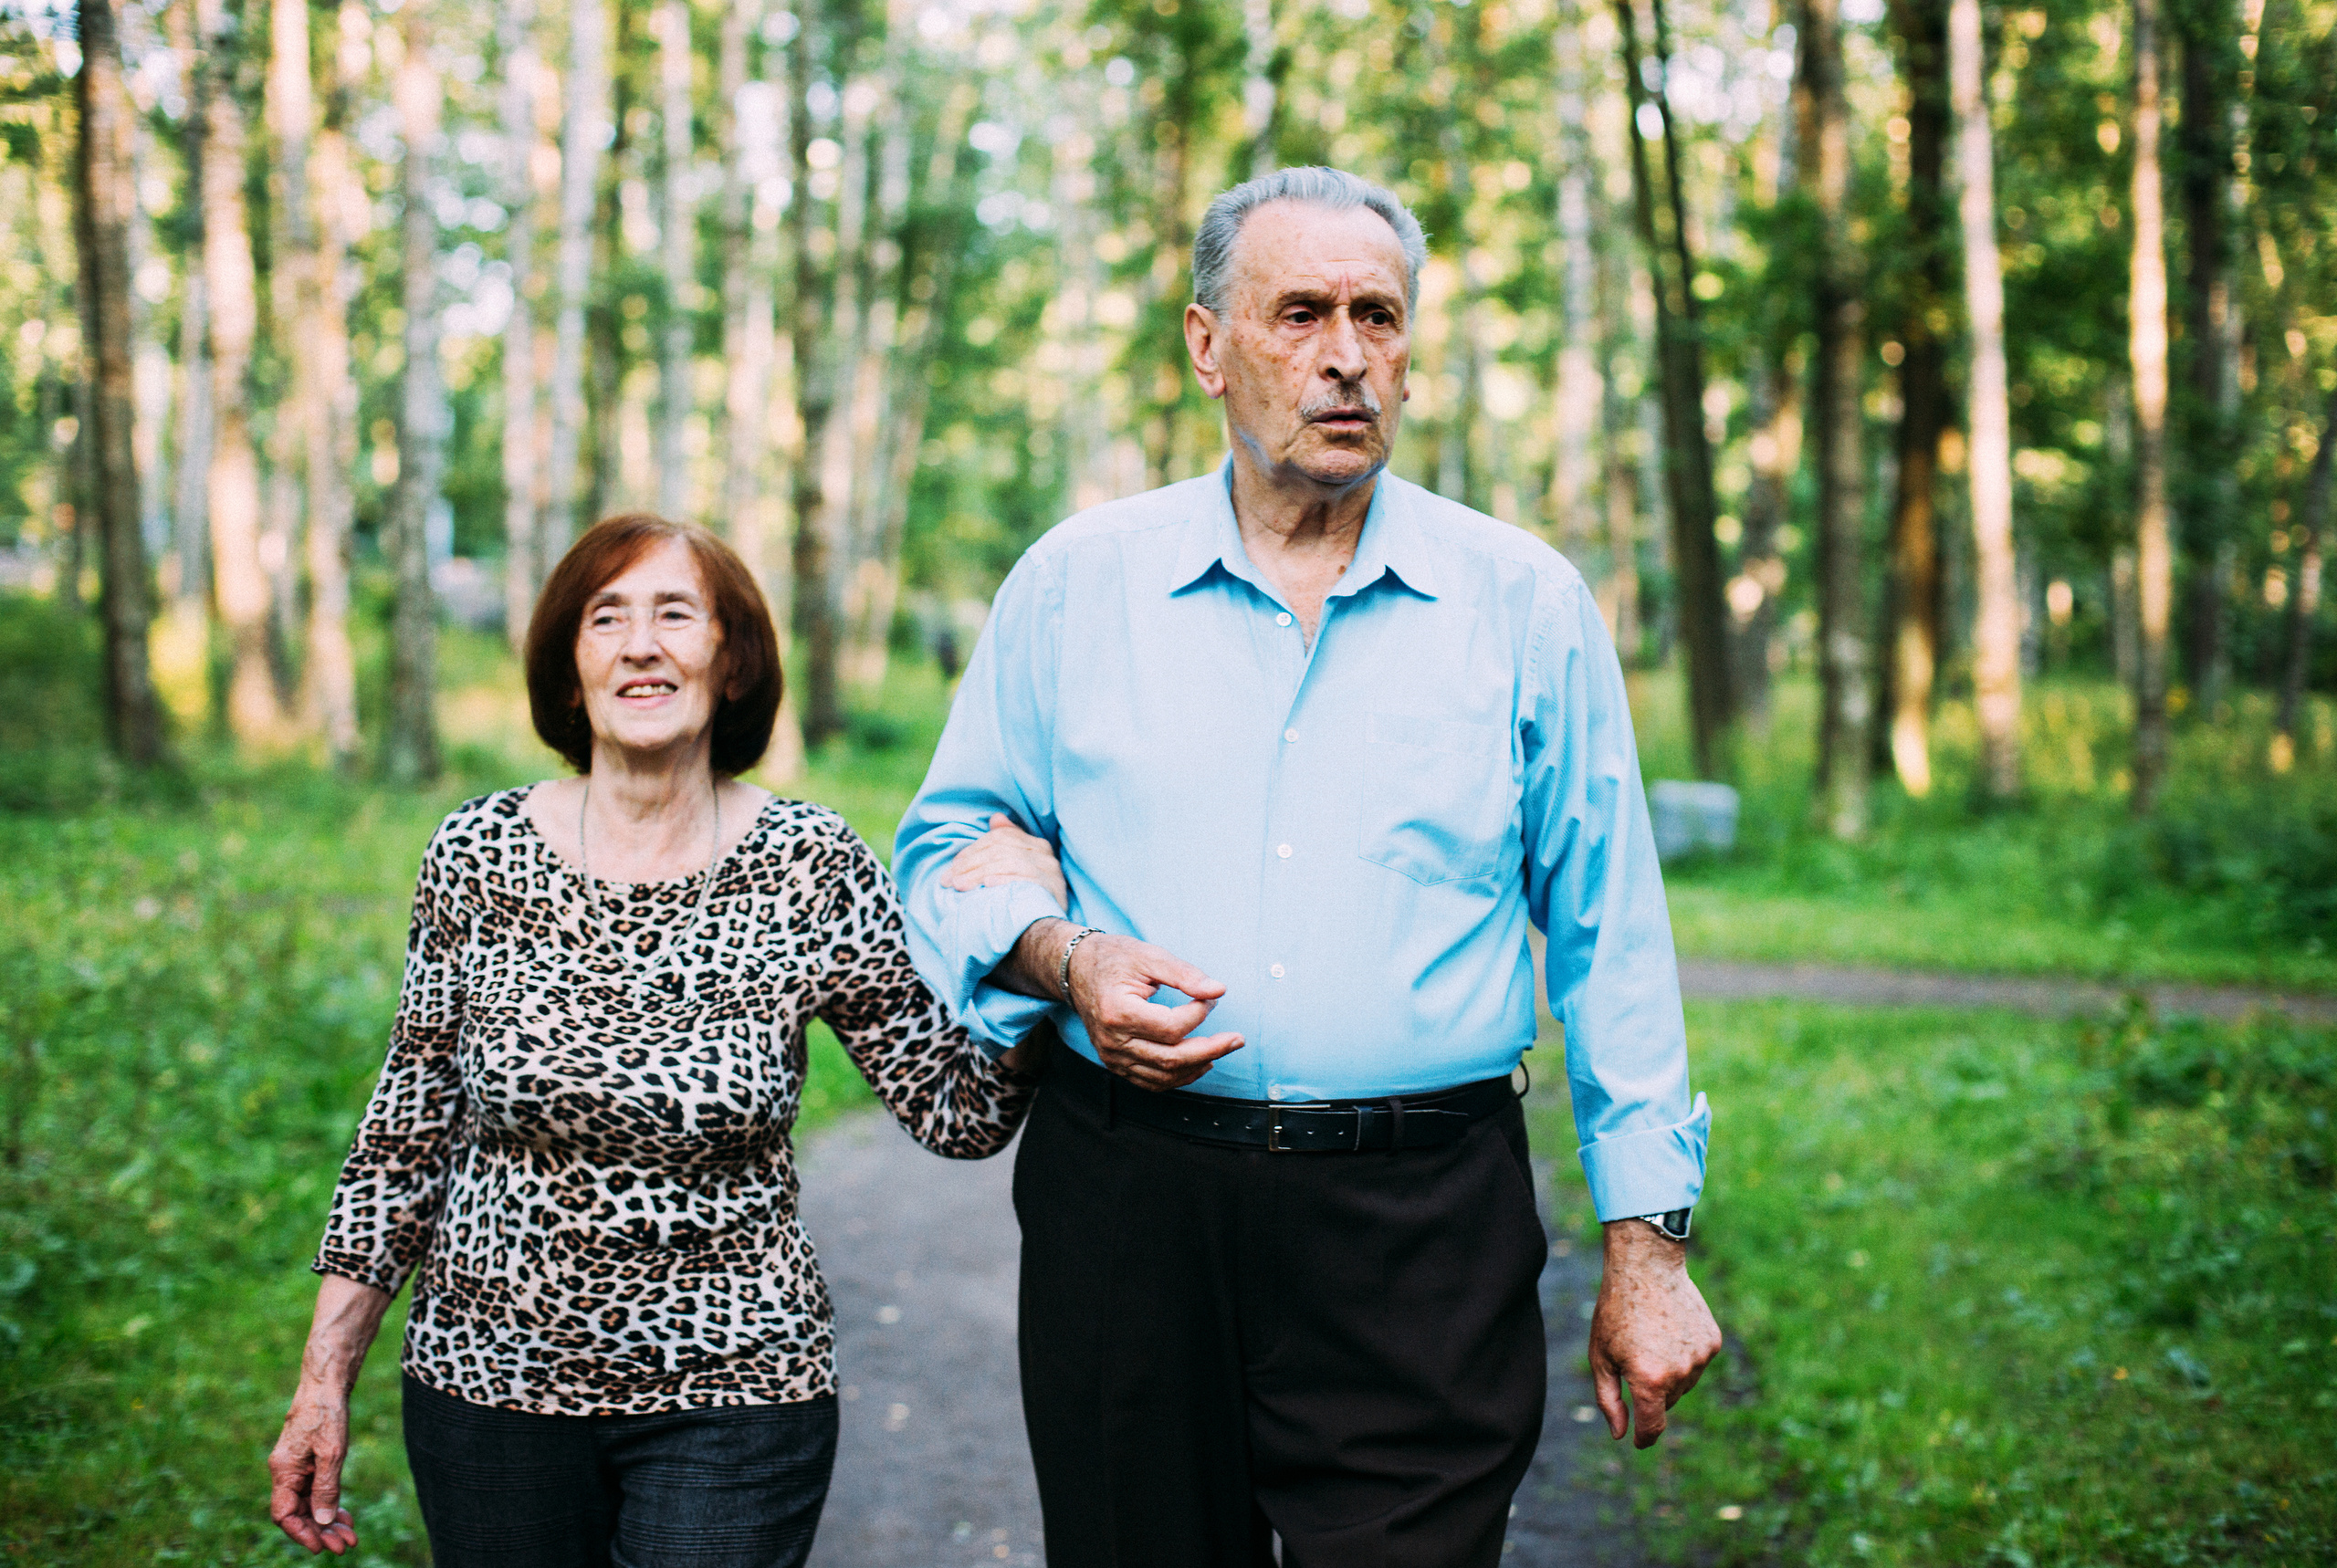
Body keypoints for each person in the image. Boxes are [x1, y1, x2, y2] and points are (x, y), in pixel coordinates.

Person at [896, 166, 1722, 1566]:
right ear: (1208, 345)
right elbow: (945, 845)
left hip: (1421, 1224)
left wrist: (1647, 1246)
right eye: (1300, 314)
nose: (1346, 355)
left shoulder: (1524, 603)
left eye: (1377, 316)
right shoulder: (1076, 584)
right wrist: (1067, 957)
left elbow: (1612, 935)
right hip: (1131, 1209)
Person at [266, 515, 1043, 1568]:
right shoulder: (476, 851)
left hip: (738, 1386)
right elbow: (405, 1136)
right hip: (486, 1385)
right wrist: (323, 1378)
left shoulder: (808, 862)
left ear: (732, 661)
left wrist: (1030, 939)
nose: (640, 645)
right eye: (606, 618)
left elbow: (957, 1111)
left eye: (675, 614)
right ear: (569, 665)